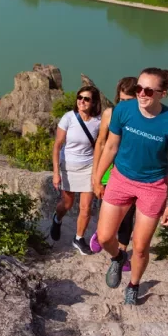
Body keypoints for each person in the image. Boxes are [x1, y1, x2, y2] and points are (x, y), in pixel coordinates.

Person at [93, 68, 168, 306]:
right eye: (138, 89)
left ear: (162, 93)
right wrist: (97, 176)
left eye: (148, 90)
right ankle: (117, 256)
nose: (141, 94)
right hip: (121, 178)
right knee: (104, 237)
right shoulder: (123, 110)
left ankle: (133, 285)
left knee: (142, 247)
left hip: (153, 186)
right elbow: (111, 146)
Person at [89, 77, 138, 268]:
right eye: (122, 100)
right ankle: (102, 232)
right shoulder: (110, 114)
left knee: (128, 214)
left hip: (131, 170)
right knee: (109, 207)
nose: (125, 104)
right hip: (110, 169)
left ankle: (122, 253)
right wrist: (96, 175)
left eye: (129, 101)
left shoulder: (143, 118)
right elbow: (101, 143)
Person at [50, 85, 102, 255]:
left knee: (86, 208)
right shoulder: (69, 118)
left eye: (86, 99)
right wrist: (56, 172)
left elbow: (102, 146)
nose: (81, 101)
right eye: (79, 97)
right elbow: (57, 145)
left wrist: (98, 173)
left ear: (94, 102)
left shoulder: (99, 121)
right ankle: (57, 219)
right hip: (68, 166)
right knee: (67, 203)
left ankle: (79, 238)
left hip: (88, 166)